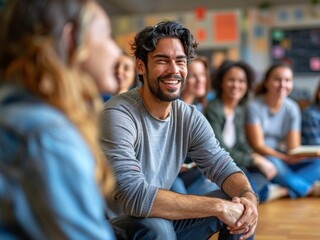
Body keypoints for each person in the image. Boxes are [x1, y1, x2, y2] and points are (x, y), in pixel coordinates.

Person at [100, 20, 258, 240]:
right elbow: (134, 196)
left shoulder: (189, 116)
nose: (174, 70)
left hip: (159, 219)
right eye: (162, 61)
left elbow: (222, 165)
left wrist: (248, 197)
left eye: (180, 61)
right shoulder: (118, 113)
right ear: (140, 66)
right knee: (158, 228)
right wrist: (218, 207)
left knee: (240, 208)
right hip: (110, 228)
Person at [0, 0, 120, 239]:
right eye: (107, 35)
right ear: (72, 38)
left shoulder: (15, 111)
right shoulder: (47, 133)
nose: (116, 50)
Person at [245, 64, 320, 199]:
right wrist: (284, 158)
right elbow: (258, 146)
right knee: (273, 162)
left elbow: (293, 147)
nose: (282, 84)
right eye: (277, 80)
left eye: (287, 80)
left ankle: (282, 189)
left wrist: (306, 154)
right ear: (266, 83)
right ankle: (309, 189)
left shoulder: (292, 108)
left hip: (283, 158)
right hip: (264, 158)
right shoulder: (254, 107)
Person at [206, 60, 288, 203]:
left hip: (236, 162)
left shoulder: (239, 109)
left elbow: (241, 143)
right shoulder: (213, 109)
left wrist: (256, 157)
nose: (236, 85)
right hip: (219, 166)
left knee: (262, 174)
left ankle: (262, 193)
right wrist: (253, 159)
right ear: (221, 83)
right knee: (248, 184)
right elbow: (219, 150)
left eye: (241, 81)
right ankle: (268, 193)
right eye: (231, 80)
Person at [171, 56, 219, 195]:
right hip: (173, 175)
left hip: (195, 172)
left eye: (203, 75)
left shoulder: (200, 107)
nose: (200, 80)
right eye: (193, 76)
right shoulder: (171, 108)